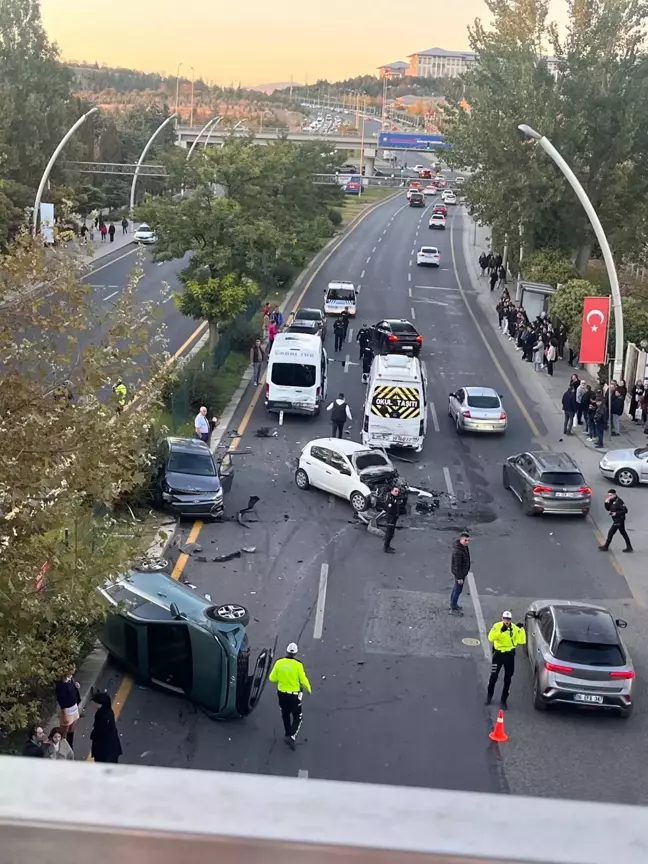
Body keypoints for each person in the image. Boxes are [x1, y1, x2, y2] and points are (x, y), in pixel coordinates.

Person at [268, 643, 311, 751]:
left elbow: (272, 678)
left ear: (286, 651)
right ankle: (291, 736)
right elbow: (303, 679)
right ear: (295, 653)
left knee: (285, 714)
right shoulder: (298, 665)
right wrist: (308, 689)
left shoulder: (279, 663)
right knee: (298, 716)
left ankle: (287, 732)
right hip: (294, 695)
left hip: (281, 694)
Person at [485, 611, 526, 710]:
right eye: (505, 619)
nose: (506, 621)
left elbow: (522, 641)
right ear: (502, 618)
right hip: (498, 655)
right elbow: (491, 637)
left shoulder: (514, 629)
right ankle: (489, 697)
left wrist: (521, 630)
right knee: (493, 677)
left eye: (508, 619)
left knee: (508, 679)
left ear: (510, 620)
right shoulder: (497, 626)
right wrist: (501, 631)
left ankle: (503, 700)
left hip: (509, 655)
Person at [90, 692, 123, 763]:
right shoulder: (108, 711)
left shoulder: (103, 716)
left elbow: (100, 731)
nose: (94, 704)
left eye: (96, 703)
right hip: (111, 746)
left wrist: (93, 735)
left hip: (104, 748)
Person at [55, 671, 81, 750]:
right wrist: (64, 712)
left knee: (72, 727)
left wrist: (76, 686)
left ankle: (70, 746)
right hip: (67, 709)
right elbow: (61, 699)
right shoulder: (60, 684)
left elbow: (73, 690)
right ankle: (61, 747)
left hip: (74, 706)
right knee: (64, 729)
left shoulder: (71, 679)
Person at [450, 531, 470, 614]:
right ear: (461, 539)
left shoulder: (463, 547)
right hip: (460, 574)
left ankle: (453, 604)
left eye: (468, 540)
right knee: (457, 590)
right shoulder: (458, 551)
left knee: (456, 589)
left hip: (461, 573)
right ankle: (453, 608)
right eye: (465, 540)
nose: (467, 542)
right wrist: (459, 578)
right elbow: (457, 566)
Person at [382, 487, 401, 554]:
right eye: (395, 491)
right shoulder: (390, 499)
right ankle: (386, 548)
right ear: (392, 491)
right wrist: (391, 521)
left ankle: (388, 546)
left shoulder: (394, 498)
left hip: (393, 518)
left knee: (391, 533)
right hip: (391, 519)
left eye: (398, 491)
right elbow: (389, 510)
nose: (397, 493)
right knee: (389, 534)